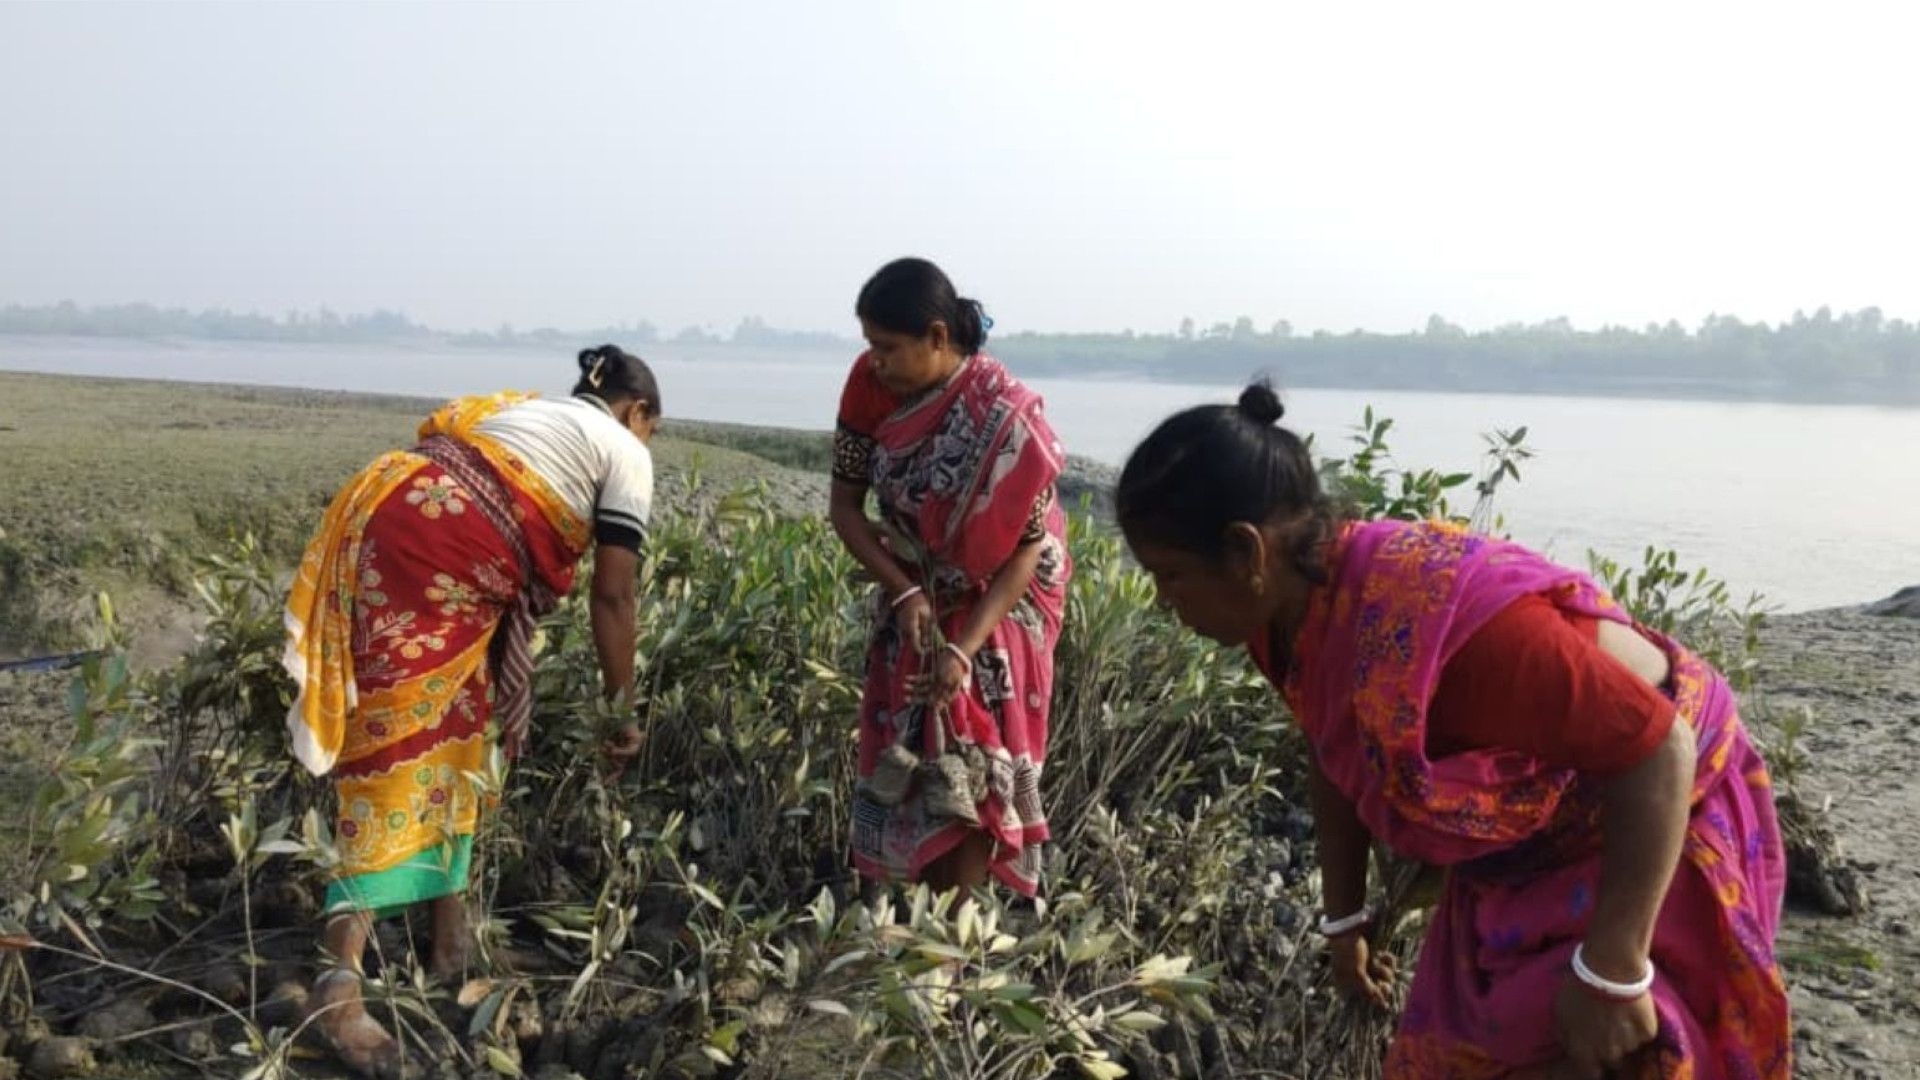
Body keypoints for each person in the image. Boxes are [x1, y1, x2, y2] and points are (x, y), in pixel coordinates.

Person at [1114, 381, 1790, 1079]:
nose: (1166, 602)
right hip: (1530, 843)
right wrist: (1344, 921)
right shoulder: (1281, 619)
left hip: (1646, 812)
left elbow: (1656, 747)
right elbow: (1332, 744)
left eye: (1172, 576)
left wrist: (1614, 966)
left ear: (1246, 552)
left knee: (1603, 1044)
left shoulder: (1442, 628)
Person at [282, 345, 660, 1077]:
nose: (647, 443)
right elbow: (614, 596)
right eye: (651, 429)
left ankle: (451, 946)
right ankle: (338, 989)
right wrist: (622, 711)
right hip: (432, 547)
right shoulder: (624, 449)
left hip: (399, 515)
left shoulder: (524, 412)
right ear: (637, 412)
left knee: (458, 736)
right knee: (397, 752)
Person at [828, 257, 1072, 897]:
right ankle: (927, 919)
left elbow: (1026, 549)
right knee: (914, 748)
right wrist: (904, 588)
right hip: (914, 585)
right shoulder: (867, 388)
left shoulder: (1004, 416)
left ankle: (956, 938)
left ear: (938, 337)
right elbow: (845, 509)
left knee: (972, 745)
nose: (875, 361)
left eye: (888, 347)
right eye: (870, 346)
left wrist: (965, 650)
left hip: (1003, 596)